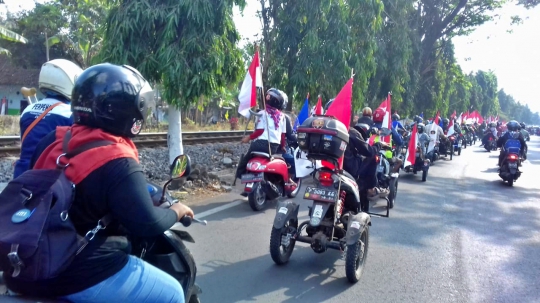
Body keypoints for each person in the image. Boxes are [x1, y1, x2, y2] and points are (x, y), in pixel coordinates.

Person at [5, 63, 193, 302]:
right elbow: (147, 224)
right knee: (173, 293)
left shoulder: (54, 140)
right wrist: (177, 210)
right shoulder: (117, 159)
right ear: (128, 110)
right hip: (76, 273)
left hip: (25, 266)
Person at [13, 59, 83, 178]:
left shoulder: (28, 110)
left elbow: (24, 144)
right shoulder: (70, 113)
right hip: (48, 178)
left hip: (21, 176)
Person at [236, 88, 287, 180]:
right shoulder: (282, 116)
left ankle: (241, 177)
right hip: (274, 147)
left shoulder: (262, 113)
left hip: (260, 145)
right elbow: (283, 136)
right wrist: (282, 147)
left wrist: (248, 138)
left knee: (246, 159)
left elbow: (260, 131)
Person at [343, 122, 387, 212]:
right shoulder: (350, 131)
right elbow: (368, 151)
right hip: (349, 168)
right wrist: (379, 144)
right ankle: (371, 189)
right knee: (372, 157)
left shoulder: (324, 127)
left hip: (328, 166)